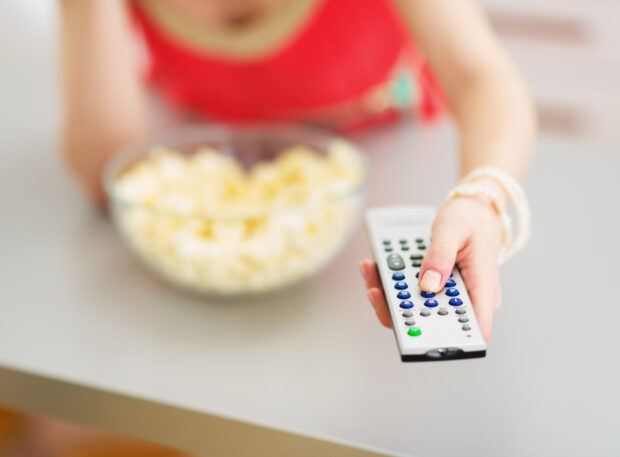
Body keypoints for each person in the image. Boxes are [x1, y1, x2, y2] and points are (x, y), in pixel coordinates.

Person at [17, 0, 534, 454]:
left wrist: (482, 197)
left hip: (381, 182)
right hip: (216, 212)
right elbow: (104, 161)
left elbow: (482, 78)